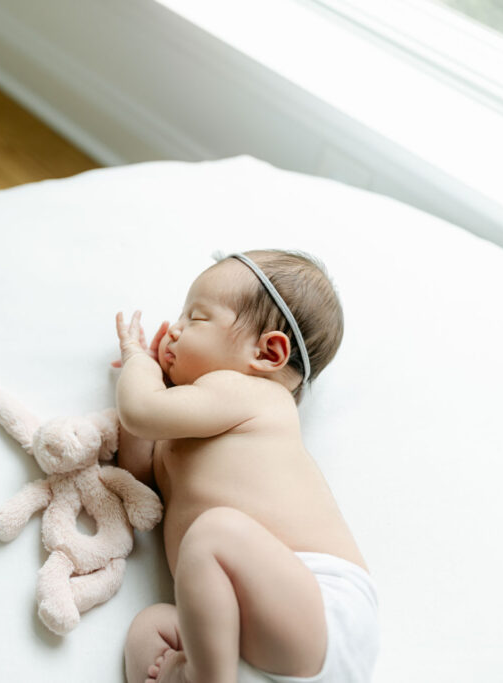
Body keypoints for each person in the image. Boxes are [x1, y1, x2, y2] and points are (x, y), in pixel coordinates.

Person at [115, 250, 378, 683]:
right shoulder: (184, 423)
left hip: (321, 604)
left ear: (268, 353)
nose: (174, 330)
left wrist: (136, 362)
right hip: (246, 635)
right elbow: (138, 471)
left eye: (195, 318)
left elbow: (139, 410)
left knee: (214, 531)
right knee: (150, 629)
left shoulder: (250, 393)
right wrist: (155, 385)